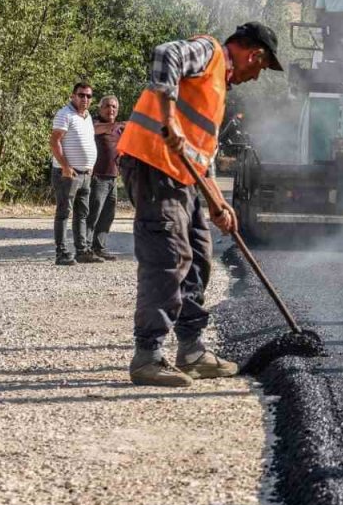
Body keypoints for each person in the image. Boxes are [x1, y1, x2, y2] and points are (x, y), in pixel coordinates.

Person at [116, 22, 283, 387]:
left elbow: (200, 157)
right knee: (169, 255)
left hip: (183, 176)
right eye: (261, 68)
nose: (256, 77)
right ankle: (148, 355)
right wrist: (168, 118)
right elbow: (165, 54)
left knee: (198, 253)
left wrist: (218, 203)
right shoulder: (207, 52)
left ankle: (191, 350)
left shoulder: (218, 88)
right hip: (153, 164)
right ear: (254, 54)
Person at [50, 82, 98, 266]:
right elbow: (55, 142)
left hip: (85, 174)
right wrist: (65, 167)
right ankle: (61, 253)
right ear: (73, 96)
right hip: (68, 174)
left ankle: (82, 251)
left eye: (88, 96)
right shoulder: (65, 114)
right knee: (64, 212)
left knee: (82, 214)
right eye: (81, 95)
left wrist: (90, 165)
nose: (85, 99)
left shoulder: (87, 117)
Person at [83, 95, 125, 262]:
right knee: (93, 213)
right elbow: (95, 130)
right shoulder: (92, 123)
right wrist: (118, 125)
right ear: (100, 109)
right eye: (107, 106)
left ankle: (99, 247)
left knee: (108, 215)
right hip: (97, 177)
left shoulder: (117, 128)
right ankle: (84, 248)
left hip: (112, 177)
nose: (111, 109)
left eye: (114, 107)